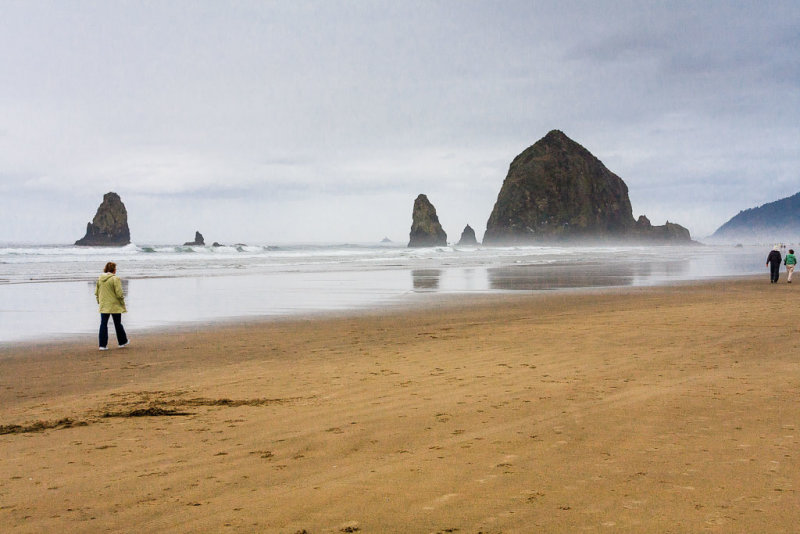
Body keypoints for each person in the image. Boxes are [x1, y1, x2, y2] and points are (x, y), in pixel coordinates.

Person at [95, 261, 128, 350]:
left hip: (104, 304)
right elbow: (119, 293)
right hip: (114, 305)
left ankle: (102, 345)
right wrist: (122, 302)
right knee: (117, 324)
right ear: (113, 270)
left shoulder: (100, 278)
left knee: (103, 324)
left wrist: (99, 301)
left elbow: (96, 292)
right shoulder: (115, 279)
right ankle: (122, 342)